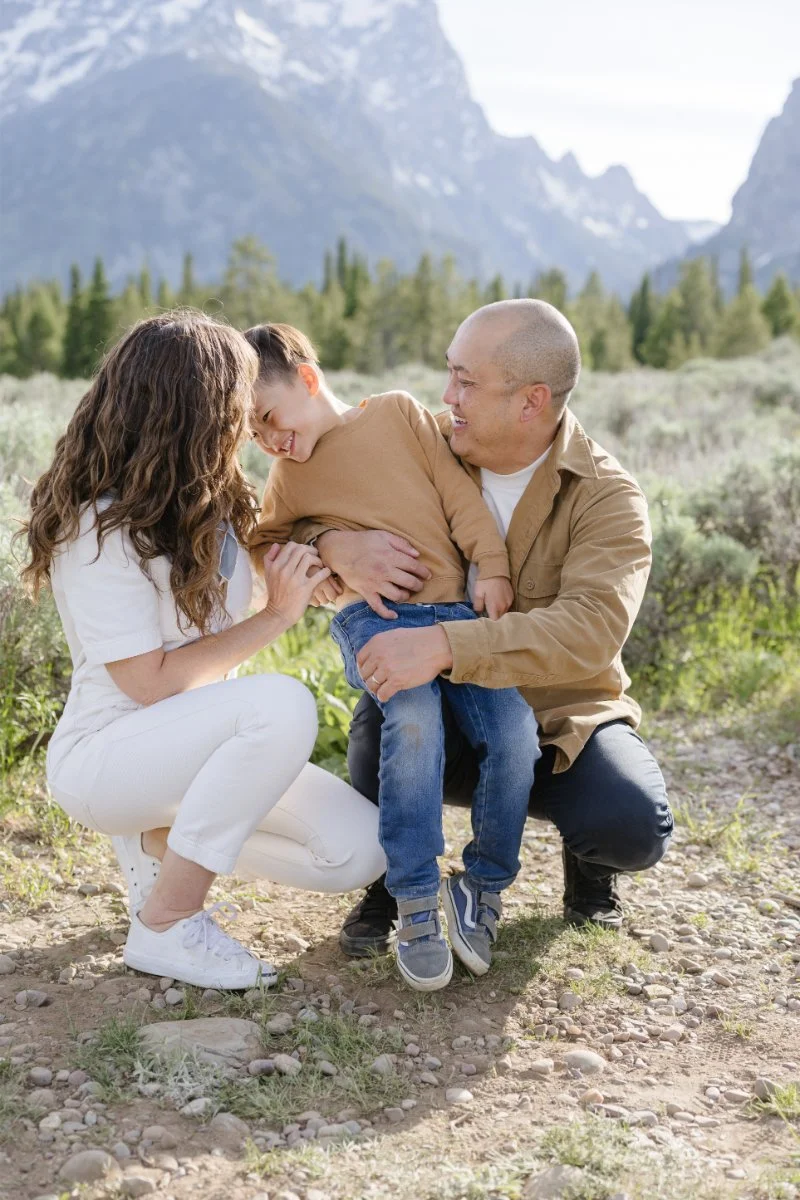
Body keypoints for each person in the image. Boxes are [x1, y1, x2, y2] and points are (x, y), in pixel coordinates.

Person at [19, 312, 386, 991]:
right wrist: (277, 617)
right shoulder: (96, 529)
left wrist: (327, 560)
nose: (249, 423)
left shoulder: (209, 503)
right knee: (281, 704)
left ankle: (162, 840)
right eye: (237, 405)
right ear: (194, 411)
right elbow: (148, 683)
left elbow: (271, 561)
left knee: (361, 851)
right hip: (109, 755)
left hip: (201, 749)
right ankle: (168, 921)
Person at [297, 300, 673, 956]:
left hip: (562, 719)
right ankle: (393, 883)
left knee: (630, 823)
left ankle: (588, 872)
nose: (447, 396)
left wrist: (444, 643)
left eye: (466, 382)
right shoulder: (414, 445)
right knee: (381, 733)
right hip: (443, 707)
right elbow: (299, 501)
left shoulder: (609, 497)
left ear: (531, 401)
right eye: (449, 375)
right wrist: (333, 545)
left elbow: (589, 632)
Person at [245, 322, 540, 991]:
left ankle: (484, 886)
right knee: (412, 725)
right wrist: (324, 548)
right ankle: (412, 900)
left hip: (457, 619)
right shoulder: (287, 479)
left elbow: (459, 494)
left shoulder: (401, 415)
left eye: (269, 417)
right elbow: (264, 544)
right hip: (373, 622)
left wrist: (490, 563)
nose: (268, 440)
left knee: (516, 733)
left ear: (309, 378)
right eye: (252, 434)